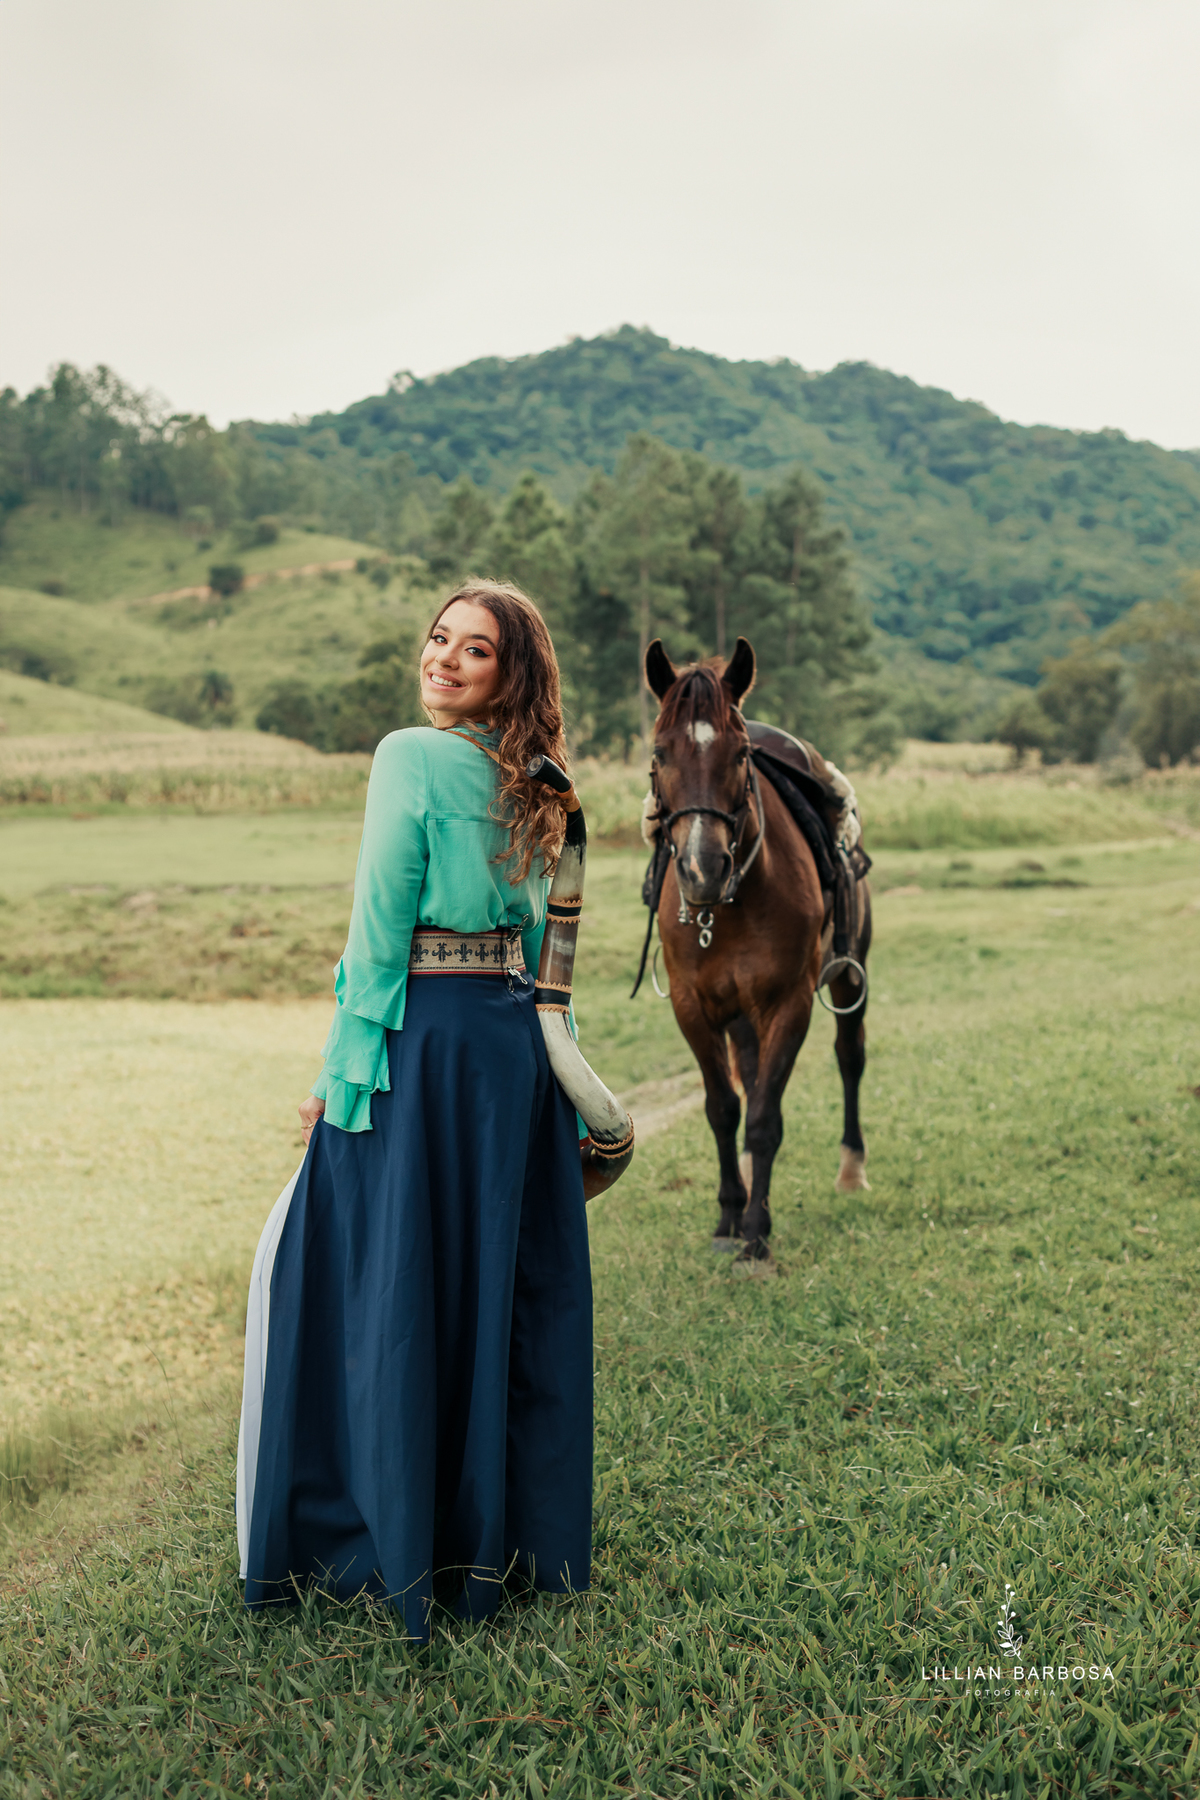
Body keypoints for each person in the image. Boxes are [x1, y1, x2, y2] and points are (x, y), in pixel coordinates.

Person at [236, 581, 593, 1640]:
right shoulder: (547, 784)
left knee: (377, 1281)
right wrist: (555, 1071)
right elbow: (552, 951)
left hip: (419, 1041)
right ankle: (501, 1548)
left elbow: (381, 924)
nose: (443, 660)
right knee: (492, 1283)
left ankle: (370, 1539)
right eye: (439, 639)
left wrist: (339, 1072)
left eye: (472, 651)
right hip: (511, 1048)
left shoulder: (406, 756)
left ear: (508, 673)